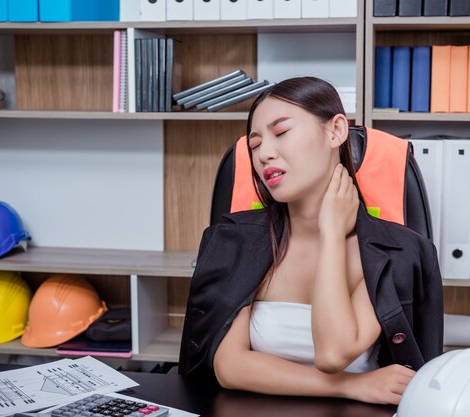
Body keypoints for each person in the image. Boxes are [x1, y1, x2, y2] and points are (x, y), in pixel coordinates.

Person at [179, 77, 443, 405]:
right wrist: (351, 386)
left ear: (335, 131)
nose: (264, 155)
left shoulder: (396, 252)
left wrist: (332, 234)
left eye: (281, 132)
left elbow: (332, 355)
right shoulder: (234, 241)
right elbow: (229, 366)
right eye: (255, 144)